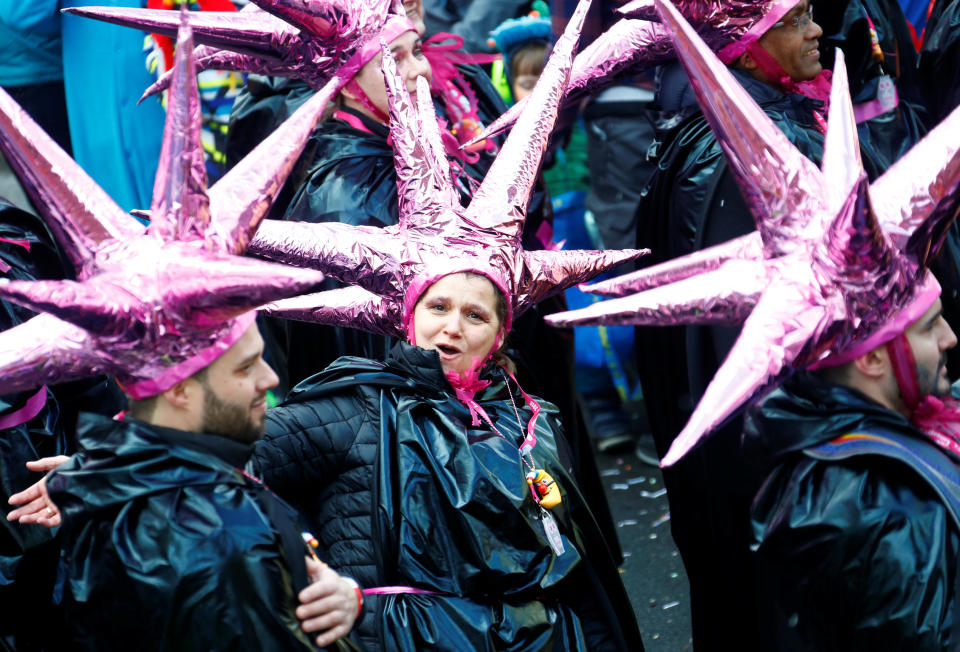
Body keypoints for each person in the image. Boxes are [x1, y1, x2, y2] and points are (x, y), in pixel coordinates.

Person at [545, 3, 960, 646]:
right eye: (794, 20)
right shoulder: (752, 154)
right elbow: (758, 347)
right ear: (745, 46)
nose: (817, 30)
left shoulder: (750, 123)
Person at [235, 10, 645, 647]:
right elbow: (251, 467)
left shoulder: (522, 416)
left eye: (419, 51)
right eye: (395, 61)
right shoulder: (351, 196)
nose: (419, 73)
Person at [1, 16, 363, 648]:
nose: (272, 379)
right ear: (178, 391)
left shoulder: (109, 491)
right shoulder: (222, 550)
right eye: (246, 367)